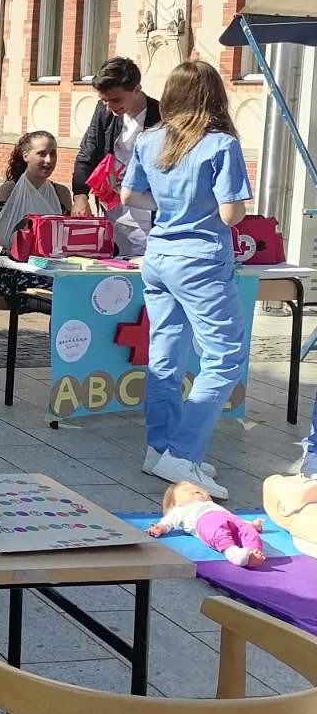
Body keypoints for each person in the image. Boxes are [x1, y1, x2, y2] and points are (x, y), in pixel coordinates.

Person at [120, 60, 250, 497]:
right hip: (201, 260)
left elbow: (130, 196)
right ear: (215, 97)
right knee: (225, 358)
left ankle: (160, 451)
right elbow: (233, 214)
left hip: (158, 255)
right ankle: (183, 452)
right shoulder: (220, 145)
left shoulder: (149, 139)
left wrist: (170, 203)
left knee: (166, 355)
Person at [72, 57, 161, 257]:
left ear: (137, 89)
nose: (110, 106)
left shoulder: (161, 116)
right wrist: (80, 196)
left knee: (144, 259)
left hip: (147, 207)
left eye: (116, 100)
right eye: (105, 100)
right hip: (111, 205)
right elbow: (88, 151)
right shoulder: (104, 112)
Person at [0, 132, 72, 305]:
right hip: (15, 268)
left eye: (53, 153)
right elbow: (5, 237)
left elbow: (65, 238)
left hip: (52, 267)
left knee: (76, 289)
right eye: (42, 154)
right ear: (26, 155)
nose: (49, 160)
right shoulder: (9, 191)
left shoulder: (62, 194)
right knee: (59, 297)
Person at [147, 479, 265, 568]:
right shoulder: (181, 509)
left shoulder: (213, 505)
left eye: (198, 488)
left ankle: (253, 551)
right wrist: (161, 527)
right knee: (218, 533)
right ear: (175, 504)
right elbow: (169, 520)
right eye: (187, 491)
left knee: (248, 532)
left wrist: (250, 524)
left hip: (229, 519)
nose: (196, 490)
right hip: (204, 521)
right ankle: (232, 553)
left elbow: (235, 520)